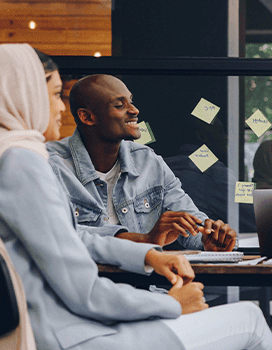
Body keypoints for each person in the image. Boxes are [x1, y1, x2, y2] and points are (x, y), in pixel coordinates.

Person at [0, 43, 272, 350]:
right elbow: (84, 292)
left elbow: (71, 237)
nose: (59, 107)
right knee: (248, 319)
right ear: (24, 95)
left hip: (47, 330)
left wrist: (147, 255)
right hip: (71, 336)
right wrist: (171, 304)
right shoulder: (22, 162)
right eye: (52, 95)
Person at [45, 74, 237, 252]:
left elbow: (190, 220)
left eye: (131, 101)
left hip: (147, 286)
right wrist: (144, 240)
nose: (134, 110)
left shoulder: (148, 161)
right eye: (120, 105)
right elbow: (58, 235)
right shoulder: (51, 166)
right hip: (86, 287)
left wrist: (209, 237)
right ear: (87, 117)